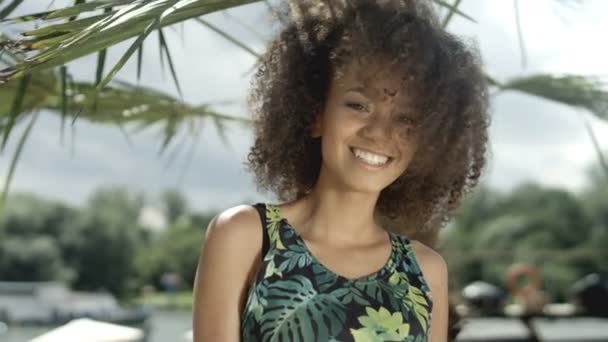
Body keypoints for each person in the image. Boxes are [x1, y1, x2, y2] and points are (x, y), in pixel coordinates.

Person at [192, 0, 490, 341]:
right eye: (358, 105)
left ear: (429, 141)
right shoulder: (244, 236)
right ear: (316, 113)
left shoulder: (426, 272)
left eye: (406, 119)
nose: (379, 132)